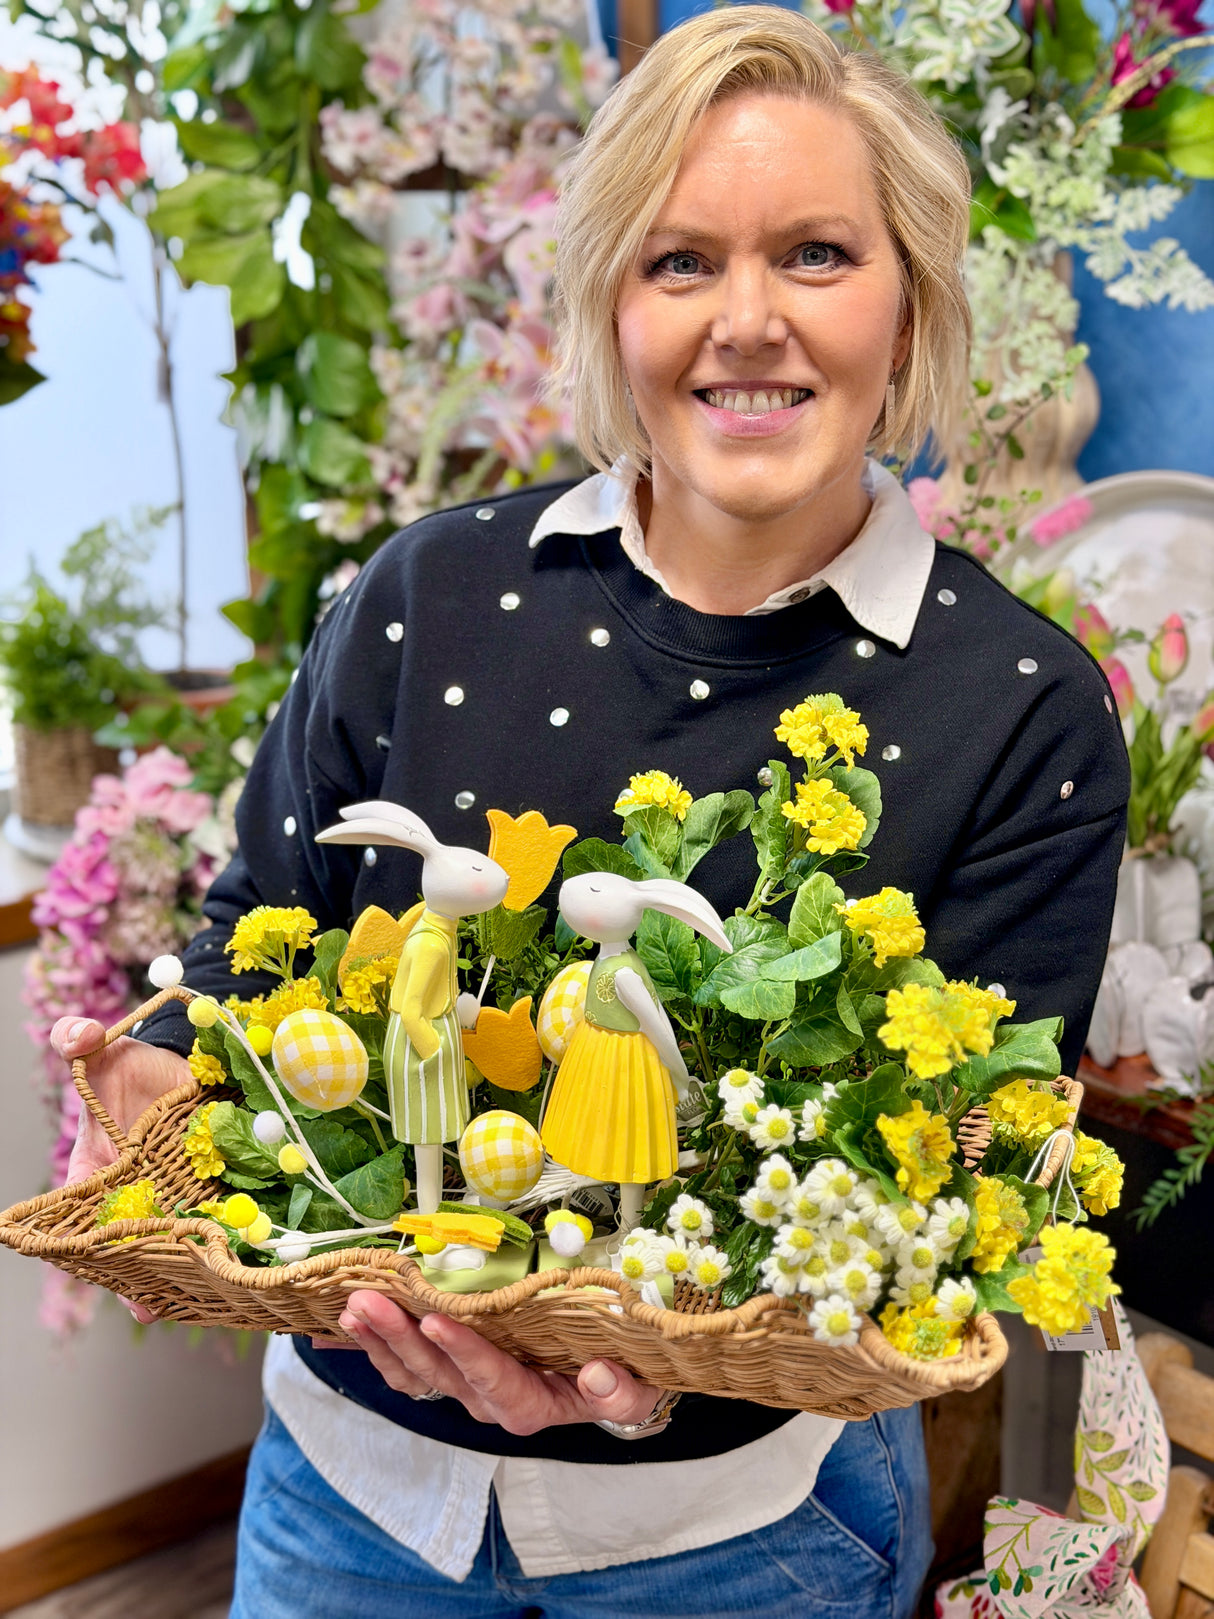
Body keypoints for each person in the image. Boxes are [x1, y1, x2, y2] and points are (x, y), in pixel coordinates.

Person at [52, 8, 1130, 1617]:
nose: (744, 323)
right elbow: (245, 955)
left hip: (747, 1537)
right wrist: (159, 1077)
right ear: (608, 309)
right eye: (677, 261)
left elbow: (958, 1186)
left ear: (909, 309)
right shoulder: (429, 596)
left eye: (819, 255)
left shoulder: (1021, 710)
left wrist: (656, 1375)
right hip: (347, 1507)